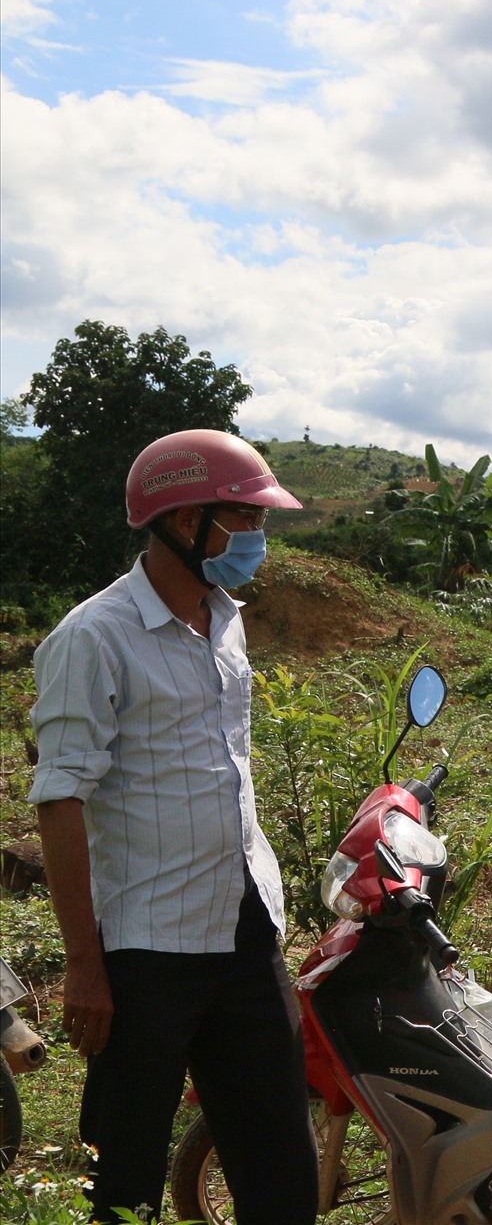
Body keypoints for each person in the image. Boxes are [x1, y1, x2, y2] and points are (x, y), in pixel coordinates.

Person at [28, 429, 317, 1220]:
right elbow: (60, 800)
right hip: (146, 952)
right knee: (125, 1175)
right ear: (187, 523)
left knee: (279, 1166)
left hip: (244, 931)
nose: (257, 540)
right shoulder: (94, 638)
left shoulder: (226, 619)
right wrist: (83, 966)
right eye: (245, 521)